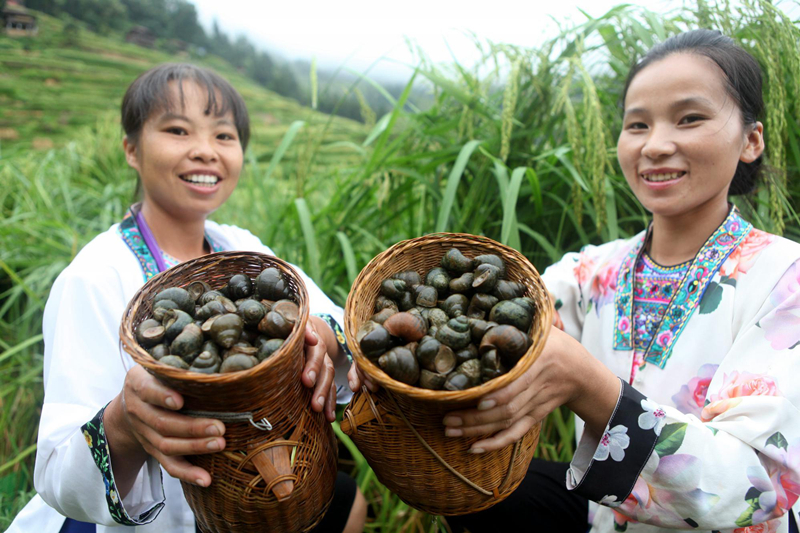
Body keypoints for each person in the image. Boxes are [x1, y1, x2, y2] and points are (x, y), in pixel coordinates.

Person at [438, 30, 800, 532]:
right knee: (479, 497)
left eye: (689, 118)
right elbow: (496, 316)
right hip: (603, 518)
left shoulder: (784, 277)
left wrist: (592, 388)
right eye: (637, 124)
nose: (655, 145)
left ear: (751, 140)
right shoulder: (593, 271)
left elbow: (756, 489)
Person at [9, 63, 367, 533]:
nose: (204, 151)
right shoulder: (95, 276)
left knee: (345, 501)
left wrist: (321, 337)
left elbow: (332, 320)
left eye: (224, 135)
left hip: (250, 491)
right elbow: (57, 472)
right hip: (126, 525)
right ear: (131, 149)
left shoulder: (243, 249)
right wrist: (123, 426)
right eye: (178, 130)